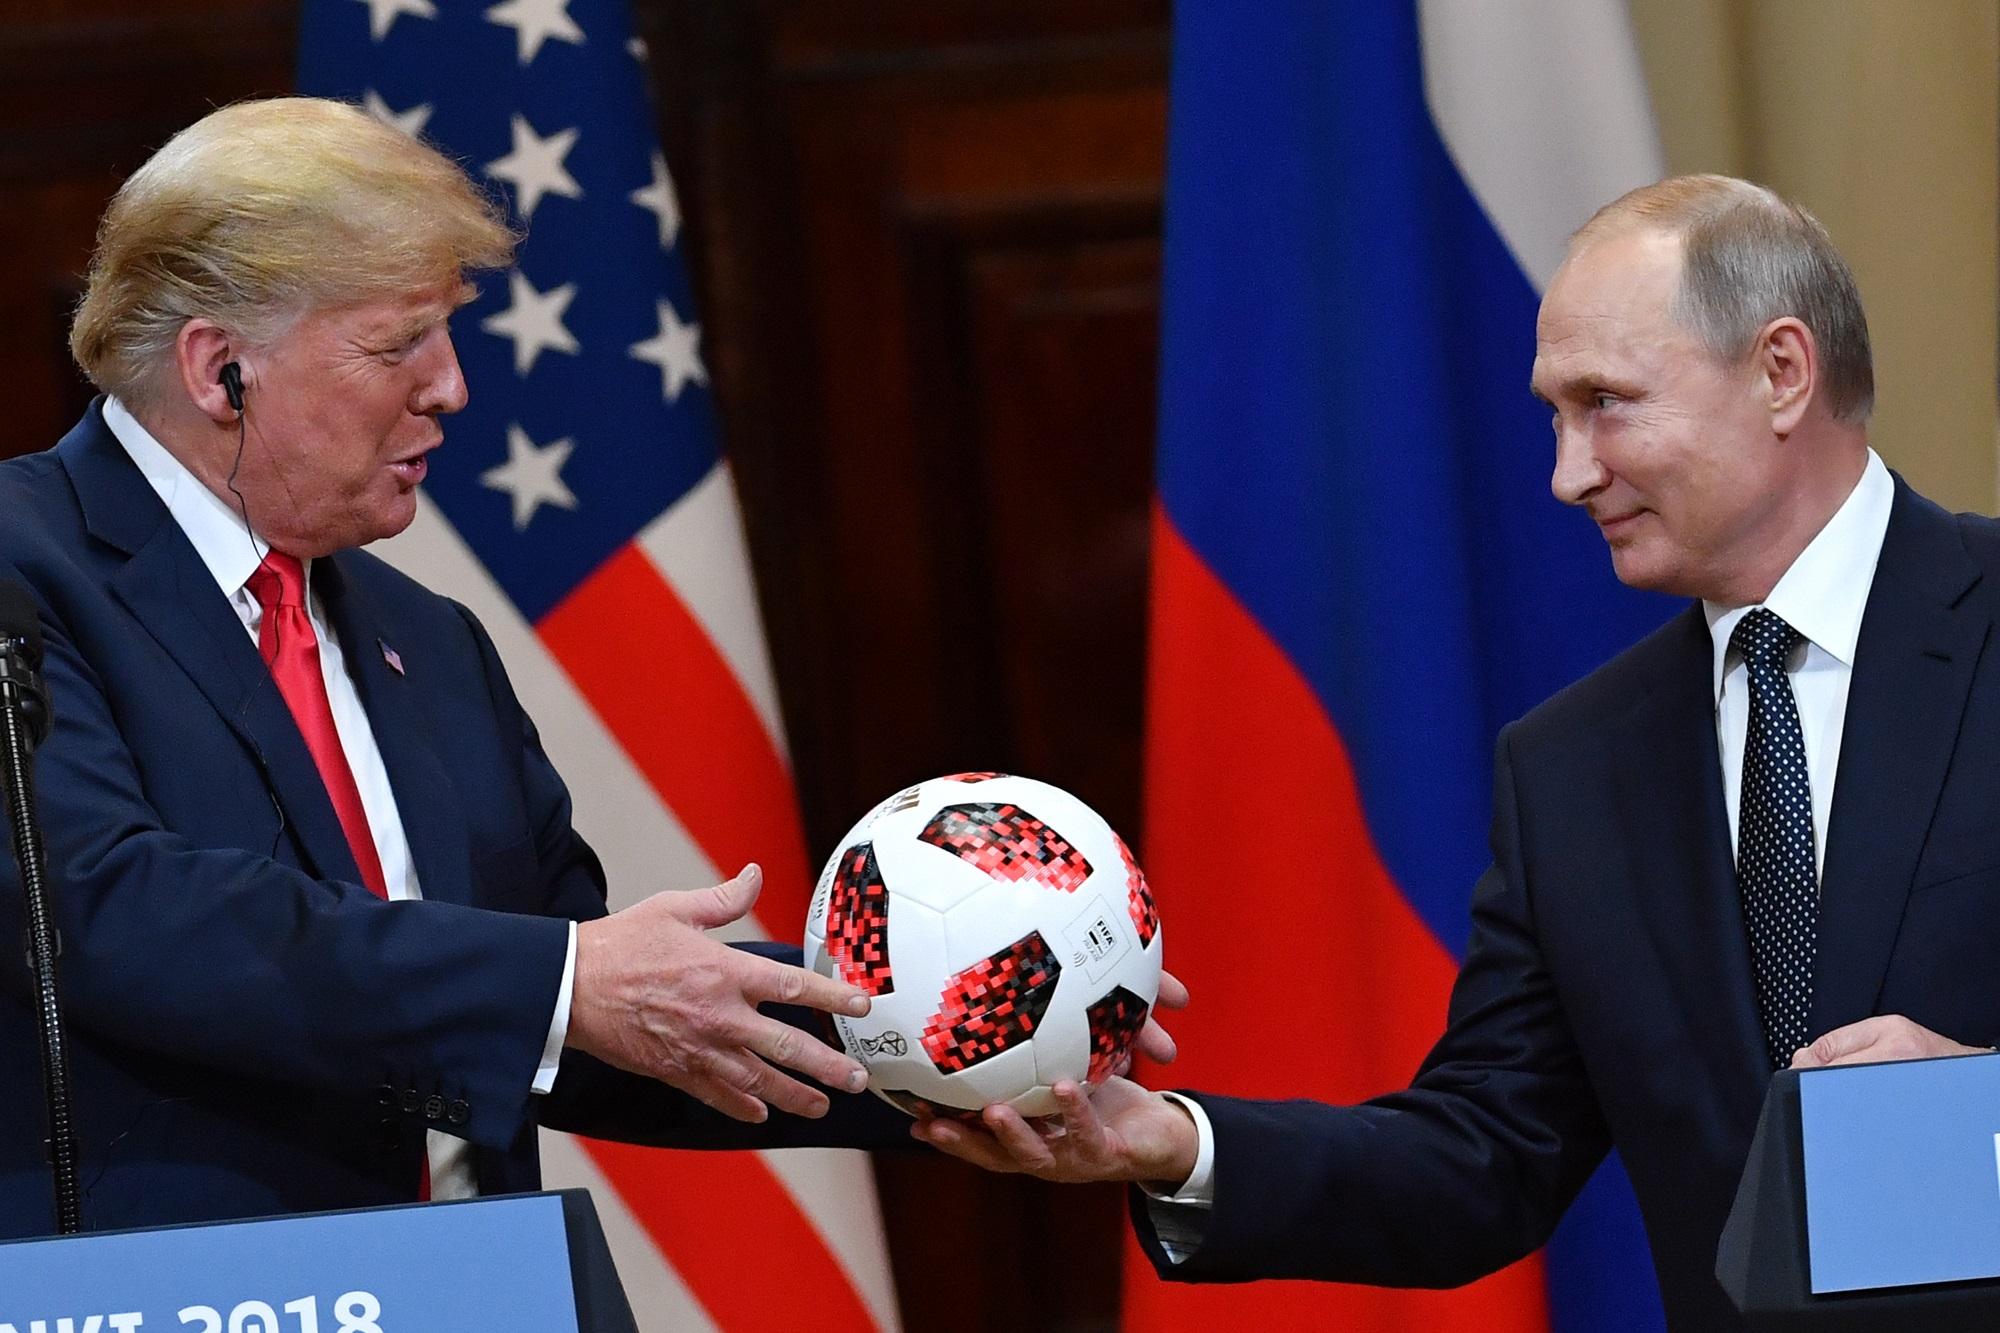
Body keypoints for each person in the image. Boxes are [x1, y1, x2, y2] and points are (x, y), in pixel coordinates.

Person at [915, 174, 2000, 1329]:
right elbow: (1481, 1158)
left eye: (1605, 402)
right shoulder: (1572, 767)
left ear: (1780, 372)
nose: (1567, 473)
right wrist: (1171, 1141)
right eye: (1553, 413)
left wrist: (1978, 1125)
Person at [0, 96, 911, 1238]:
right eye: (397, 343)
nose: (451, 386)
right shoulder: (21, 567)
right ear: (219, 367)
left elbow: (586, 1015)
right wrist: (565, 983)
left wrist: (957, 1036)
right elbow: (113, 913)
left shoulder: (426, 641)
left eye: (449, 331)